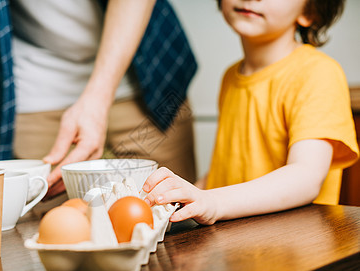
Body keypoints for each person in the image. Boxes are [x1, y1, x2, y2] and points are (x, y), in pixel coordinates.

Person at [0, 0, 197, 197]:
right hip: (34, 89)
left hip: (153, 79)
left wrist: (98, 97)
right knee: (41, 219)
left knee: (170, 211)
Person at [143, 0, 359, 225]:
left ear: (310, 11)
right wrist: (176, 201)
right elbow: (226, 169)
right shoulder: (230, 77)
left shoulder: (318, 73)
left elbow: (306, 176)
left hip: (296, 249)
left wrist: (213, 202)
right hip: (239, 248)